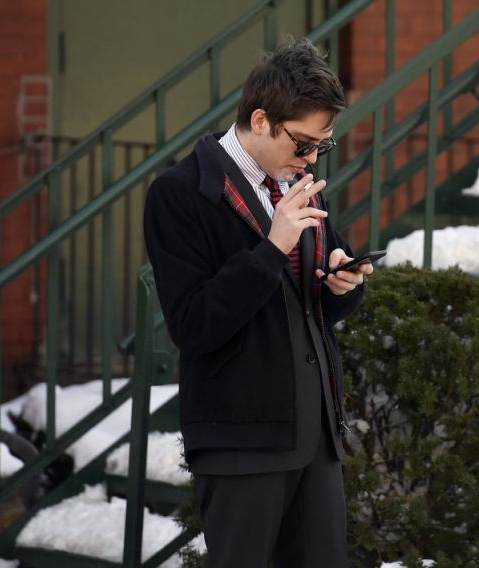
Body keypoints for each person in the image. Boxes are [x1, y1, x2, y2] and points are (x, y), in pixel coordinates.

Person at [143, 38, 372, 568]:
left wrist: (343, 285)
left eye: (324, 146)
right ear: (262, 120)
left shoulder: (297, 184)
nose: (312, 158)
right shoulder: (179, 194)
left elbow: (304, 304)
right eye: (303, 143)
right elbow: (192, 324)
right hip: (240, 437)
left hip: (314, 436)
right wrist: (272, 247)